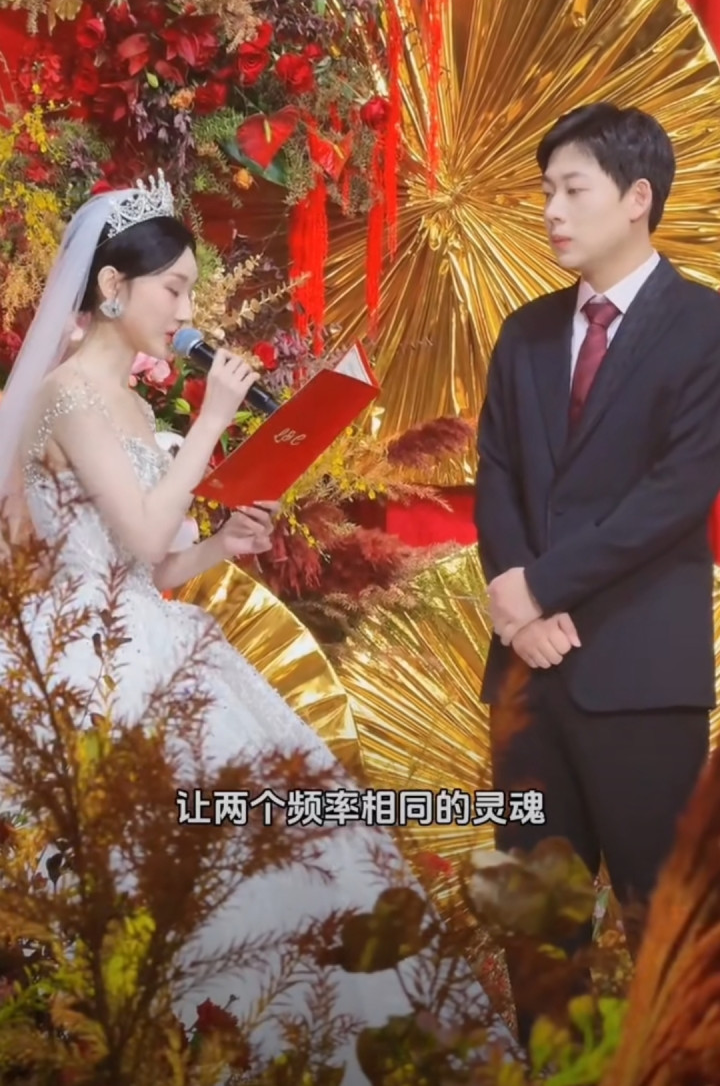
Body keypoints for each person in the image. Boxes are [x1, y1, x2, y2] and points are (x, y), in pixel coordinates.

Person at [0, 174, 512, 1079]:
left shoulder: (130, 404)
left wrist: (223, 544)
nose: (186, 312)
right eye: (174, 290)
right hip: (88, 655)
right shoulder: (68, 394)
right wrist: (210, 421)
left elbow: (158, 567)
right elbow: (140, 534)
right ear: (113, 286)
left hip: (146, 628)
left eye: (192, 291)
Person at [475, 102, 720, 1042]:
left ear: (637, 198)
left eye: (572, 189)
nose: (551, 210)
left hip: (641, 677)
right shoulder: (526, 332)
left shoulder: (704, 327)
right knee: (538, 931)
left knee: (667, 929)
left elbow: (676, 493)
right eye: (546, 190)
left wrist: (541, 588)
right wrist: (517, 615)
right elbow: (497, 474)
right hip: (526, 680)